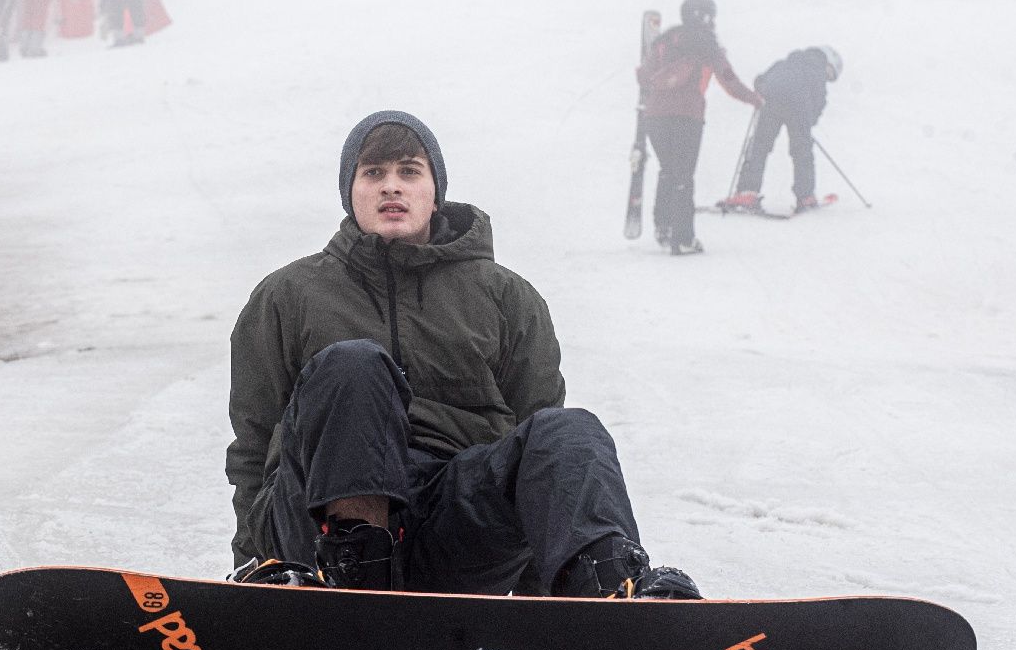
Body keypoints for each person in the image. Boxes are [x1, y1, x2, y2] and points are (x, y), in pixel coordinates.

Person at [225, 110, 701, 600]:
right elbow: (252, 447)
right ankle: (354, 569)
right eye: (374, 174)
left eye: (409, 172)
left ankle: (606, 594)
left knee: (568, 430)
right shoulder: (288, 295)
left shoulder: (505, 297)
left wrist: (541, 611)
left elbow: (541, 463)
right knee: (354, 364)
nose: (392, 187)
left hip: (451, 522)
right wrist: (251, 576)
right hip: (315, 527)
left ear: (435, 192)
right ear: (350, 191)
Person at [636, 0, 761, 254]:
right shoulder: (706, 45)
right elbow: (729, 80)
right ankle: (683, 238)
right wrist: (754, 99)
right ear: (706, 16)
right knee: (683, 176)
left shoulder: (663, 41)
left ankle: (663, 227)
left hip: (655, 116)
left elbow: (645, 76)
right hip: (687, 116)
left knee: (667, 170)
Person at [721, 47, 842, 215]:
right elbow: (819, 100)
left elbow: (761, 79)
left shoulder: (785, 63)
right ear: (827, 61)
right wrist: (810, 121)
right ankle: (805, 196)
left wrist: (762, 90)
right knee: (802, 151)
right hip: (799, 107)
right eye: (830, 74)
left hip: (771, 101)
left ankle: (746, 192)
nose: (827, 78)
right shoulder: (816, 68)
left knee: (759, 146)